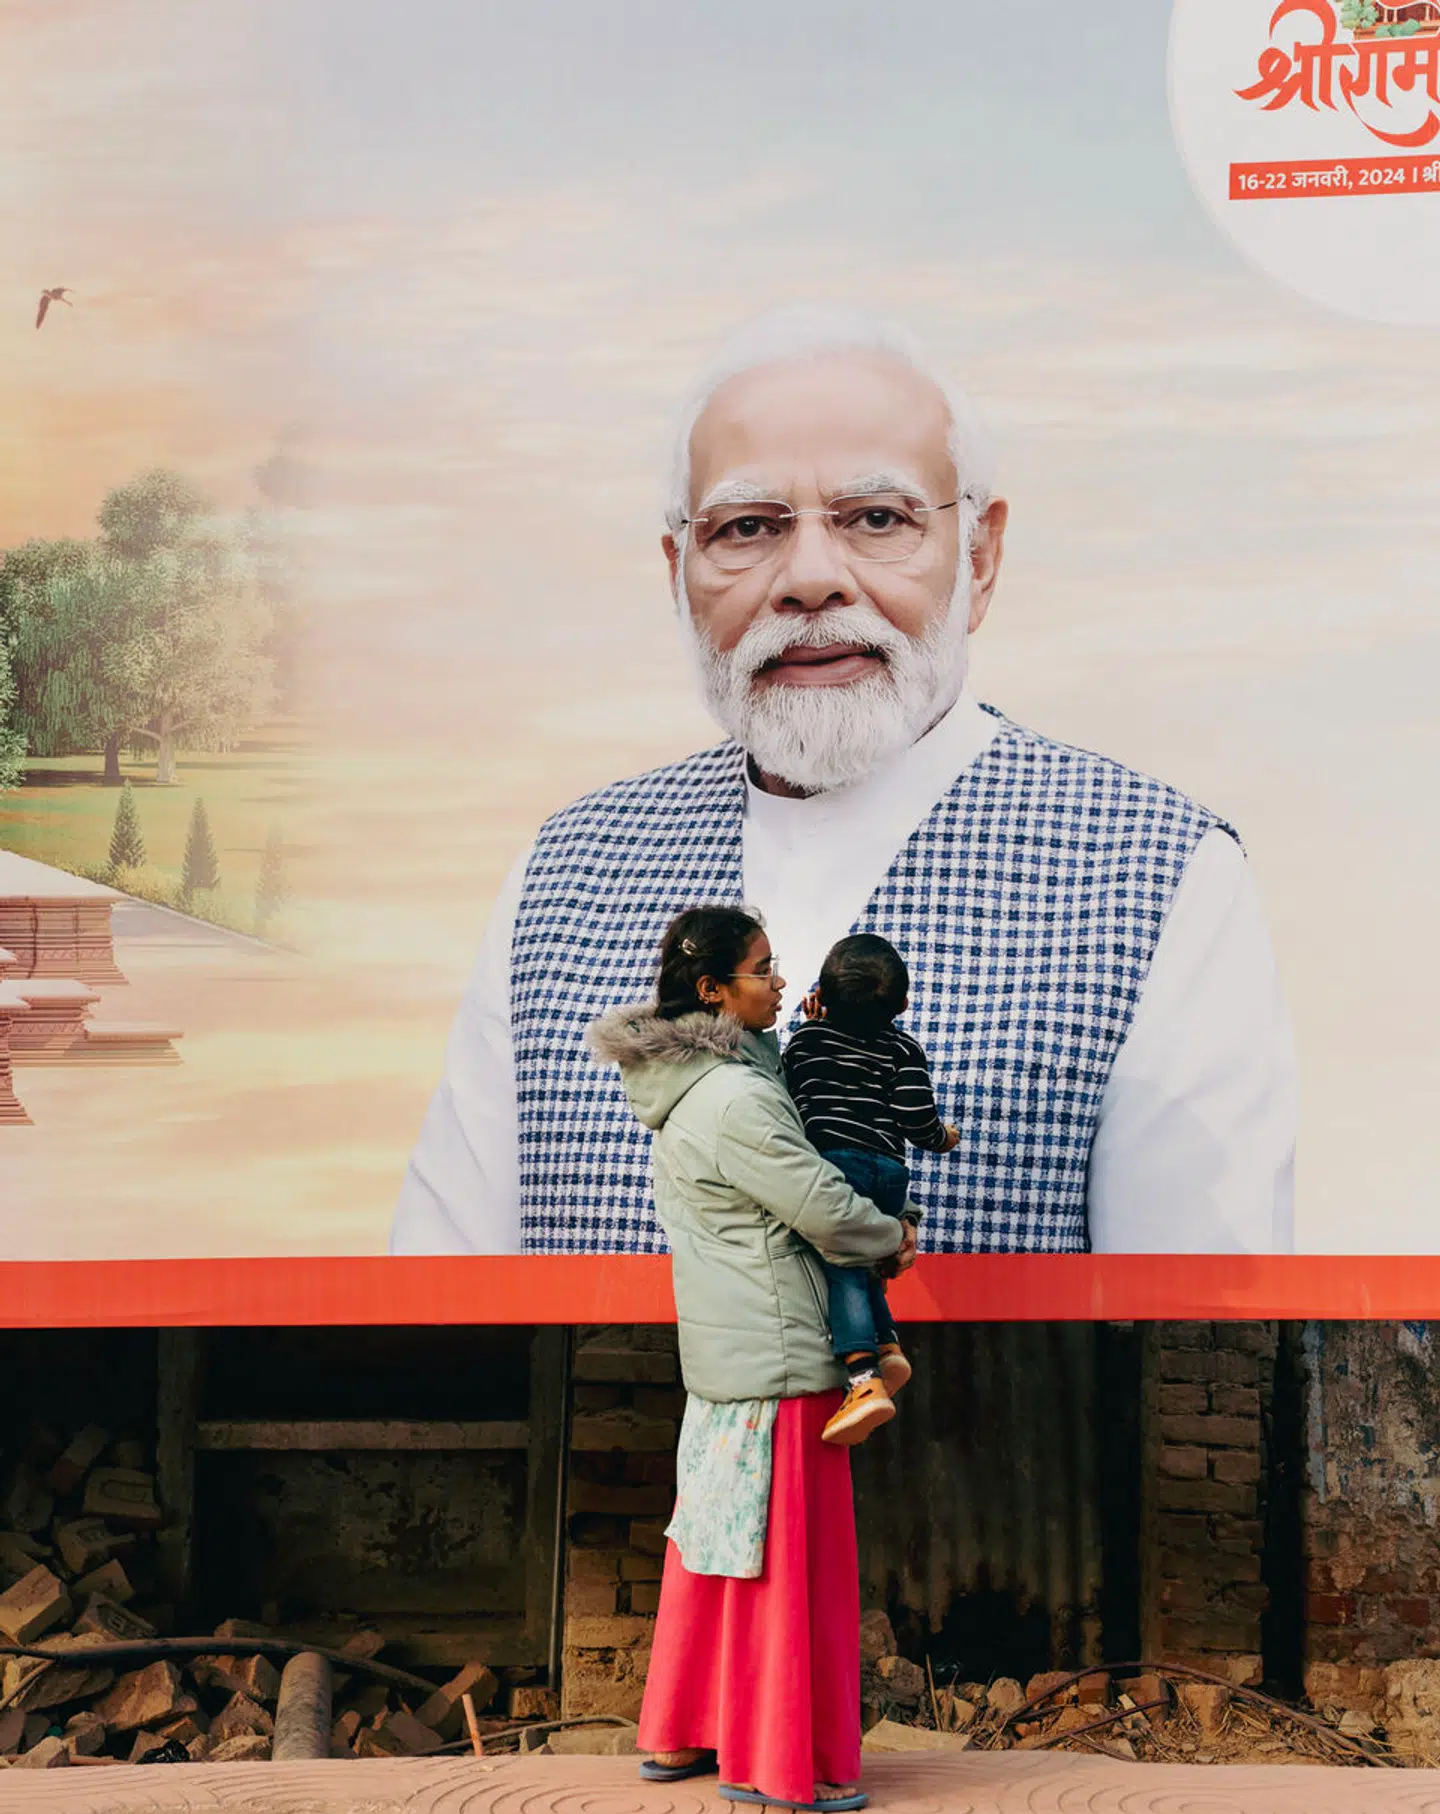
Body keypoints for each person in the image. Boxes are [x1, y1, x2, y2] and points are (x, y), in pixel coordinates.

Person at [392, 302, 1297, 1260]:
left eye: (876, 519)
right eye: (747, 527)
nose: (811, 579)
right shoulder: (564, 873)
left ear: (980, 557)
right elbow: (435, 1309)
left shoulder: (1159, 875)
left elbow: (1195, 1329)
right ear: (678, 573)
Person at [587, 904, 916, 1813]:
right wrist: (890, 1235)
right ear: (712, 990)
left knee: (717, 1549)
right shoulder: (737, 1099)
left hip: (732, 1351)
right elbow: (819, 1203)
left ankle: (685, 1733)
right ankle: (781, 1761)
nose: (780, 981)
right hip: (782, 1353)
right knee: (788, 1566)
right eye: (763, 969)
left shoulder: (699, 1084)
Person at [783, 932, 960, 1447]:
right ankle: (886, 1348)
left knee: (843, 1268)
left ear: (822, 995)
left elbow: (792, 1092)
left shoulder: (806, 1043)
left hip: (835, 1168)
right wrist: (944, 1138)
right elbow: (917, 1119)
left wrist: (810, 1027)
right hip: (889, 1174)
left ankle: (863, 1380)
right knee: (864, 1267)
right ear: (902, 1005)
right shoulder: (904, 1049)